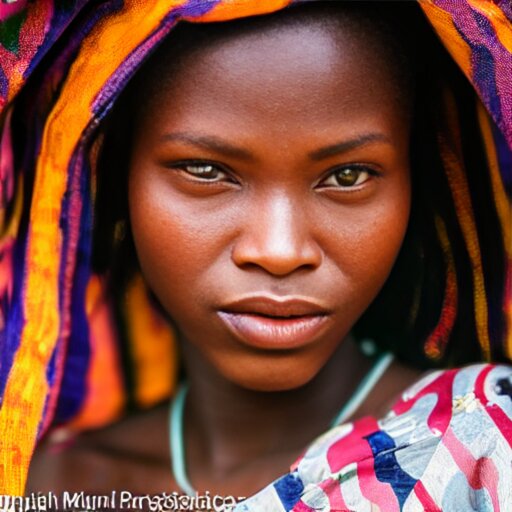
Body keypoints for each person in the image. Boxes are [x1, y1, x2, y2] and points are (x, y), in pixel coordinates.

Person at [0, 0, 511, 510]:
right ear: (111, 180)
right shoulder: (47, 482)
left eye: (347, 176)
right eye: (204, 170)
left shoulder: (482, 448)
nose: (280, 251)